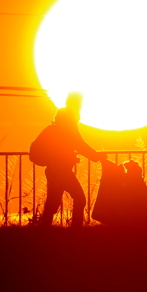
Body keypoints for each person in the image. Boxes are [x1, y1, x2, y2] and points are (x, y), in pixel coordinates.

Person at [37, 92, 102, 227]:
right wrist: (96, 156)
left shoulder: (60, 123)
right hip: (61, 170)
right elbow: (78, 142)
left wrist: (71, 157)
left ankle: (44, 230)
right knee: (80, 198)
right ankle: (75, 230)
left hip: (55, 169)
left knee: (53, 203)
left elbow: (67, 146)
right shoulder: (70, 120)